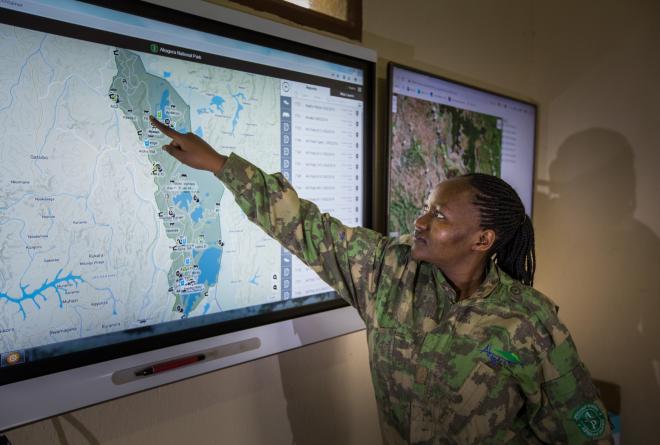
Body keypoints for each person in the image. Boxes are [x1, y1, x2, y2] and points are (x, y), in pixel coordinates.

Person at [149, 116, 613, 444]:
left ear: (482, 239)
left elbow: (582, 434)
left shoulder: (528, 321)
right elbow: (308, 226)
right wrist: (220, 165)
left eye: (439, 215)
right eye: (425, 207)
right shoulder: (388, 273)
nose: (421, 221)